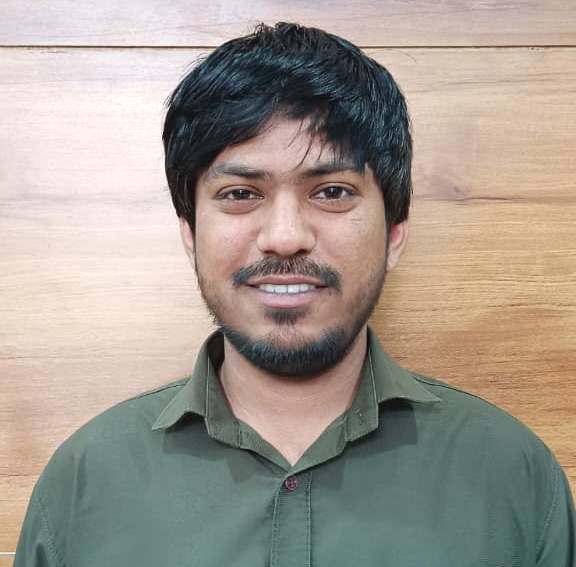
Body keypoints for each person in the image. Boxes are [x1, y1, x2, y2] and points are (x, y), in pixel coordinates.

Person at [15, 22, 575, 567]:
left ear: (395, 234)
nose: (285, 237)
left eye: (331, 191)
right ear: (190, 233)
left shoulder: (514, 477)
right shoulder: (84, 483)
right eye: (240, 193)